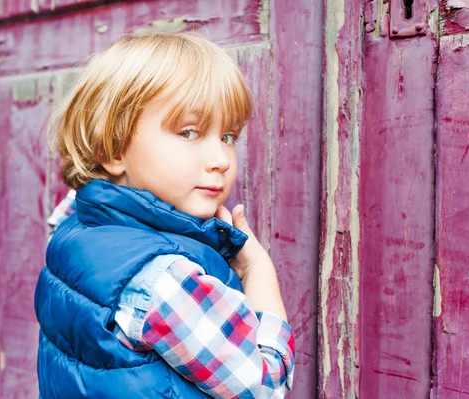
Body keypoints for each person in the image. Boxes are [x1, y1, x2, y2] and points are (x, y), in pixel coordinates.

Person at [34, 33, 295, 399]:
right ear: (112, 148)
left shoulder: (73, 225)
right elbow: (264, 388)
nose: (220, 160)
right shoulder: (166, 281)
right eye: (189, 132)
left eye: (228, 136)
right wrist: (258, 272)